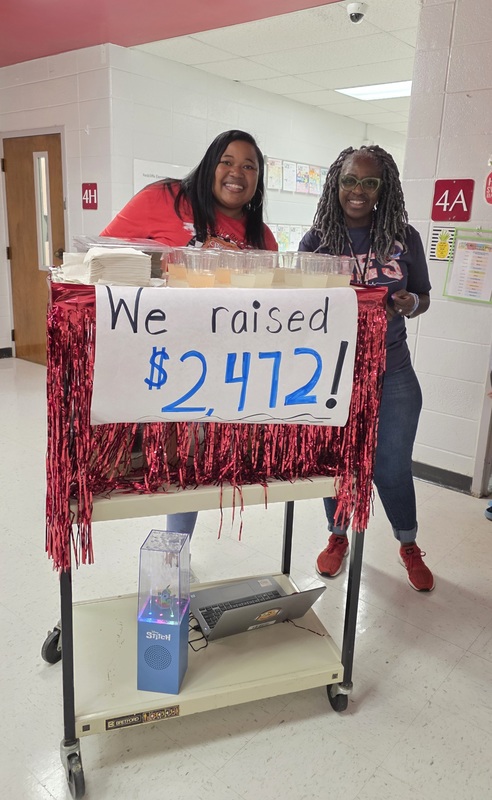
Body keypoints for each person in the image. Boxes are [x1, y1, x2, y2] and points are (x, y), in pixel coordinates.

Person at [101, 129, 278, 539]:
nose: (237, 173)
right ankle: (168, 561)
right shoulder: (165, 198)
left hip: (223, 373)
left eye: (249, 166)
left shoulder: (260, 236)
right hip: (157, 362)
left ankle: (173, 555)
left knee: (197, 466)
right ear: (210, 163)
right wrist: (173, 270)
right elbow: (103, 257)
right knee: (157, 464)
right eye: (227, 161)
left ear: (258, 179)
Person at [299, 144, 434, 591]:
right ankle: (338, 536)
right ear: (335, 185)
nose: (357, 191)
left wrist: (409, 303)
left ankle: (408, 544)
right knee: (337, 464)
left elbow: (423, 297)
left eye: (369, 182)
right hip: (334, 375)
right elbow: (299, 309)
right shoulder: (316, 241)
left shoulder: (403, 235)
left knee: (391, 467)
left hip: (393, 373)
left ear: (383, 188)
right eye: (349, 181)